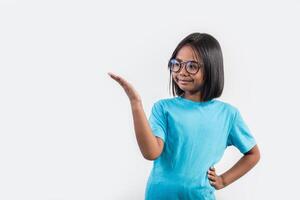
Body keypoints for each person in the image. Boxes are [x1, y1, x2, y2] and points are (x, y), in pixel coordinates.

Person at [108, 32, 260, 200]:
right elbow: (151, 153)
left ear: (211, 68)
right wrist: (136, 103)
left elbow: (253, 154)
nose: (181, 72)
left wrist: (223, 180)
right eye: (176, 64)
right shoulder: (163, 108)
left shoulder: (228, 114)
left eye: (192, 66)